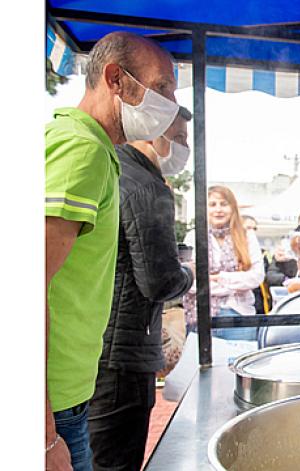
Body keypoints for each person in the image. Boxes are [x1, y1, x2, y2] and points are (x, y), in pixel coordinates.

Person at [45, 31, 178, 471]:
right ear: (116, 79)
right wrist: (43, 437)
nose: (171, 103)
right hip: (54, 406)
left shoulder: (100, 152)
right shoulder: (82, 149)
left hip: (75, 390)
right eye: (162, 87)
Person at [87, 106, 194, 471]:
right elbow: (160, 281)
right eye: (178, 139)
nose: (183, 148)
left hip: (95, 348)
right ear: (154, 133)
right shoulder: (147, 187)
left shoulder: (111, 167)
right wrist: (188, 274)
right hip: (125, 357)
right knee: (117, 461)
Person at [183, 186, 265, 341]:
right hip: (200, 316)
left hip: (239, 317)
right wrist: (234, 284)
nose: (218, 209)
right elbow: (190, 282)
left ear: (232, 207)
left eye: (224, 204)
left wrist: (218, 277)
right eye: (213, 204)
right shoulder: (193, 237)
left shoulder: (247, 236)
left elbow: (256, 276)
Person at [242, 215, 273, 314]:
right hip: (243, 309)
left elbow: (270, 277)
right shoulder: (231, 254)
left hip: (262, 307)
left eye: (254, 229)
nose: (252, 232)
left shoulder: (262, 254)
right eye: (248, 228)